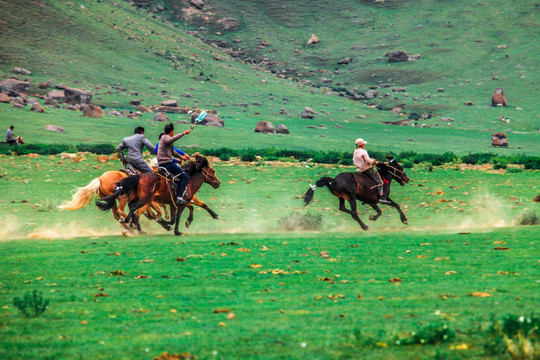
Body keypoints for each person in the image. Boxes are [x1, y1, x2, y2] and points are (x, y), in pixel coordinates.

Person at [157, 124, 191, 205]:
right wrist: (183, 133)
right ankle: (179, 197)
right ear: (172, 132)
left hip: (164, 163)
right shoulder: (166, 138)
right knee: (185, 177)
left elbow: (172, 152)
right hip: (167, 163)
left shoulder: (163, 138)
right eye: (173, 131)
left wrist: (181, 157)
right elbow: (171, 140)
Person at [353, 138, 390, 204]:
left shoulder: (355, 151)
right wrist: (373, 161)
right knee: (380, 182)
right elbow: (368, 161)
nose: (364, 145)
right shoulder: (363, 151)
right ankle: (381, 198)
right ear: (362, 145)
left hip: (360, 170)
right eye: (363, 144)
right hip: (367, 169)